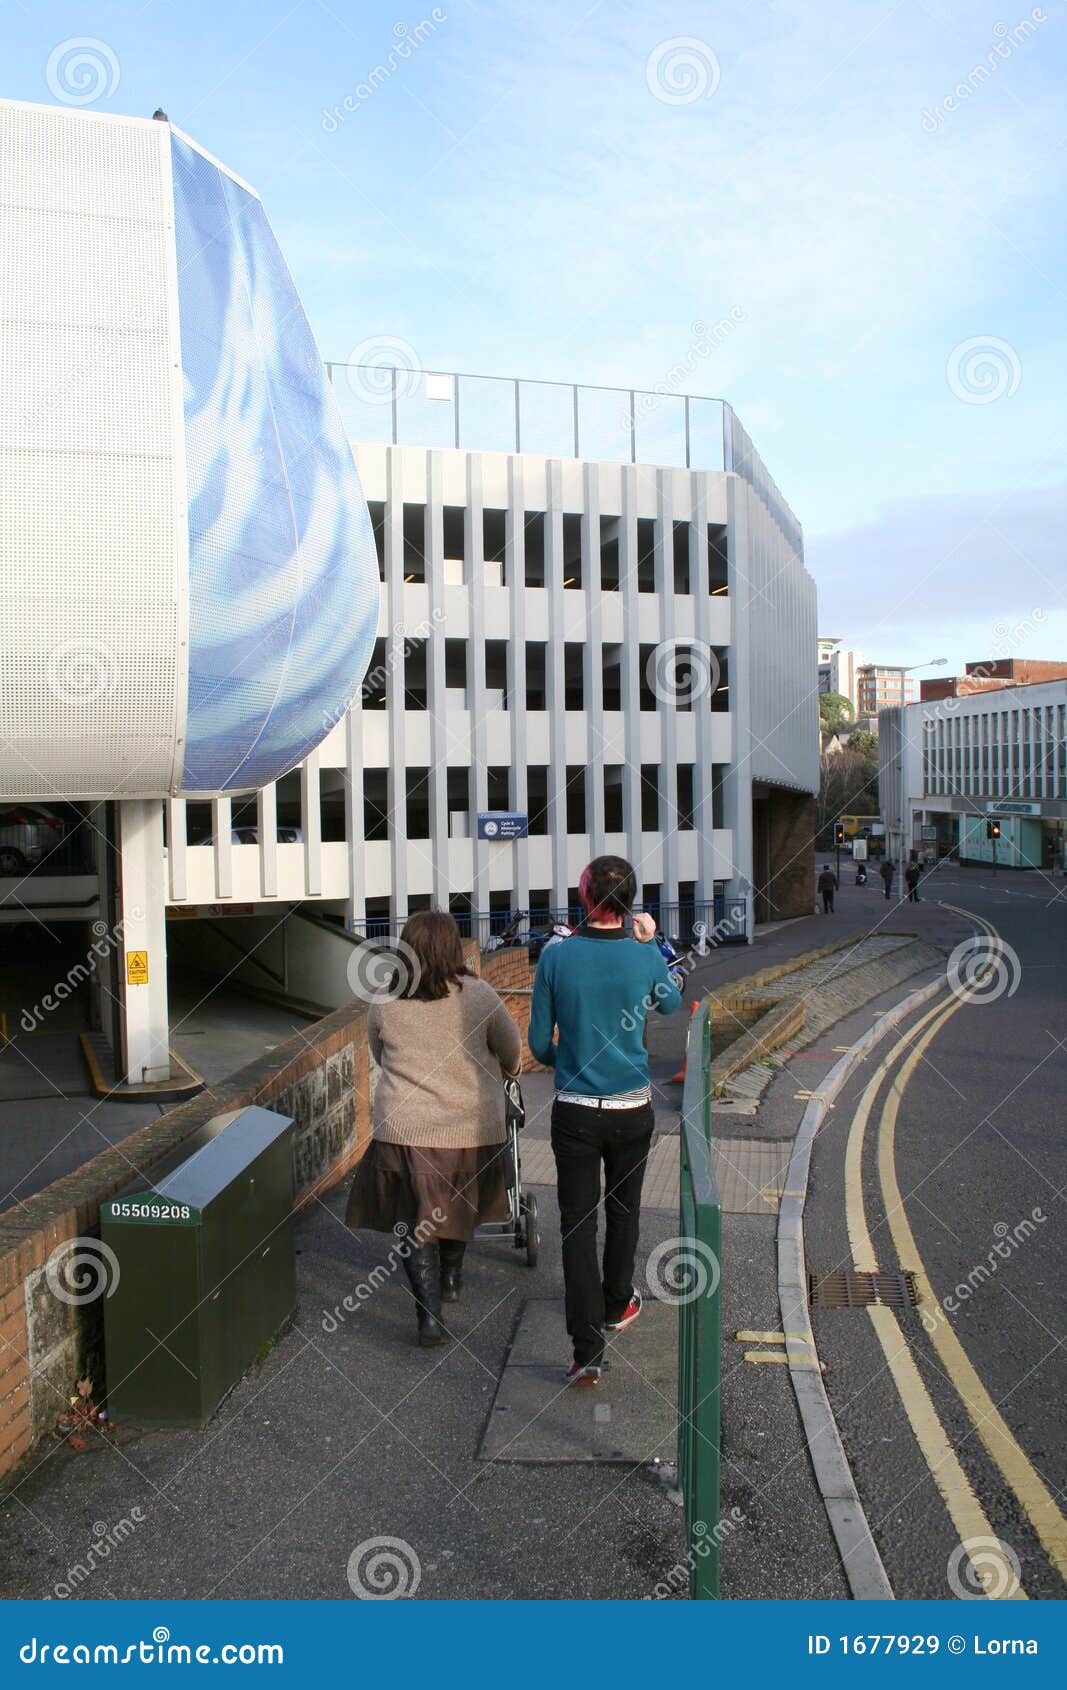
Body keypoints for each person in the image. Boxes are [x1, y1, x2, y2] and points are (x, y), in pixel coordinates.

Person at [528, 856, 683, 1387]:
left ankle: (586, 1350)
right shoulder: (642, 956)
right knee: (624, 1210)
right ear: (629, 902)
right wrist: (654, 943)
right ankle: (618, 1303)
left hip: (574, 1112)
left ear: (586, 897)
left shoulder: (556, 957)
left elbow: (537, 1045)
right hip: (631, 1111)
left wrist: (569, 1062)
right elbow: (672, 1002)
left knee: (576, 1224)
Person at [345, 910, 522, 1347]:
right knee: (459, 1204)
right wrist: (508, 1072)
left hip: (405, 1130)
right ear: (451, 948)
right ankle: (452, 1277)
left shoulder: (385, 1000)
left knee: (413, 1219)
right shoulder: (478, 996)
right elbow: (511, 1049)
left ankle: (428, 1317)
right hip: (469, 1126)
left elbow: (379, 1053)